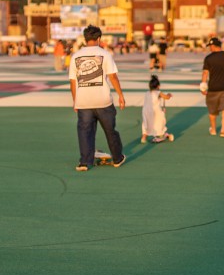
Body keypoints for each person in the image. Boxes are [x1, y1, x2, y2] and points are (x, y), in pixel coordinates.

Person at [69, 25, 127, 171]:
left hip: (83, 101)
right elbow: (113, 76)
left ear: (85, 39)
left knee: (84, 132)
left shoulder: (76, 56)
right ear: (99, 39)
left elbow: (73, 81)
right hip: (103, 100)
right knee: (110, 131)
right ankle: (117, 158)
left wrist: (75, 100)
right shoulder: (105, 54)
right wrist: (120, 95)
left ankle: (84, 162)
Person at [201, 37, 224, 137]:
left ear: (212, 46)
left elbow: (205, 73)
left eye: (210, 46)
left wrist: (203, 86)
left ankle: (213, 130)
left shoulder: (208, 58)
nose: (209, 48)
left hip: (213, 88)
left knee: (212, 111)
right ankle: (223, 130)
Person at [141, 74, 174, 144]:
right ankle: (161, 134)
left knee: (147, 123)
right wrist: (169, 95)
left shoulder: (147, 93)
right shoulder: (158, 92)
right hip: (155, 111)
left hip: (146, 111)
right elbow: (166, 97)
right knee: (159, 122)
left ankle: (144, 137)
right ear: (158, 86)